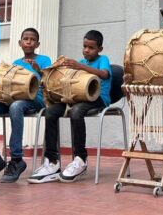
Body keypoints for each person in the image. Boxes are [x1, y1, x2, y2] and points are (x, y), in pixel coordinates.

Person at [27, 30, 111, 184]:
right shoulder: (82, 62)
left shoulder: (103, 59)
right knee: (51, 112)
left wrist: (79, 66)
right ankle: (52, 161)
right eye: (85, 46)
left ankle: (80, 158)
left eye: (91, 48)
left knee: (76, 112)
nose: (86, 50)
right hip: (77, 98)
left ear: (100, 49)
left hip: (98, 98)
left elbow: (104, 74)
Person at [0, 28, 51, 182]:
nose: (29, 41)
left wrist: (39, 70)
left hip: (35, 99)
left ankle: (17, 159)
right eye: (25, 38)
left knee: (16, 107)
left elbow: (50, 81)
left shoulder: (44, 60)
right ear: (20, 43)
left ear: (37, 43)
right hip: (12, 98)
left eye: (32, 39)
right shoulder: (15, 63)